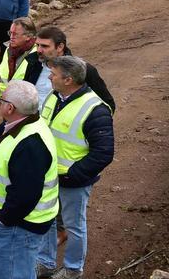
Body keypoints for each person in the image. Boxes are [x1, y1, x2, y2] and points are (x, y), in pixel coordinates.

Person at [35, 56, 114, 279]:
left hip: (73, 182)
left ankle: (72, 269)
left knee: (74, 226)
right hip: (48, 176)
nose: (49, 76)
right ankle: (45, 263)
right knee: (47, 219)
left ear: (68, 79)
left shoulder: (95, 109)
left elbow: (103, 153)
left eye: (54, 74)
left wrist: (73, 175)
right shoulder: (54, 97)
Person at [0, 80, 59, 279]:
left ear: (10, 107)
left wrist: (3, 219)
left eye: (1, 99)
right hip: (20, 222)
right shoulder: (26, 125)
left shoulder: (30, 144)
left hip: (19, 225)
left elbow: (26, 194)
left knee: (13, 273)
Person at [26, 26, 115, 113]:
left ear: (60, 47)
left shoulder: (83, 70)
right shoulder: (32, 63)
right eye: (37, 45)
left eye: (45, 46)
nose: (39, 50)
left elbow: (107, 105)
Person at [0, 17, 39, 99]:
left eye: (15, 34)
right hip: (5, 99)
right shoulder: (9, 49)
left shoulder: (36, 55)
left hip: (23, 103)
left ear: (28, 36)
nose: (11, 37)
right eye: (10, 33)